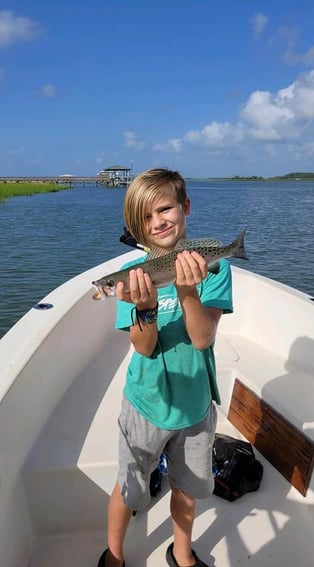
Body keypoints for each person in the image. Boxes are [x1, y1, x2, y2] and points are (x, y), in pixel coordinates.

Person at [98, 168, 233, 567]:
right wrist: (145, 306)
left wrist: (187, 289)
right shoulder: (134, 277)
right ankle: (116, 554)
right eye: (145, 217)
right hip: (146, 402)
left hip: (194, 405)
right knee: (129, 487)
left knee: (186, 488)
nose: (157, 222)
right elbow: (144, 346)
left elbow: (203, 338)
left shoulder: (213, 266)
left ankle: (181, 553)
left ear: (185, 207)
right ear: (137, 226)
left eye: (165, 209)